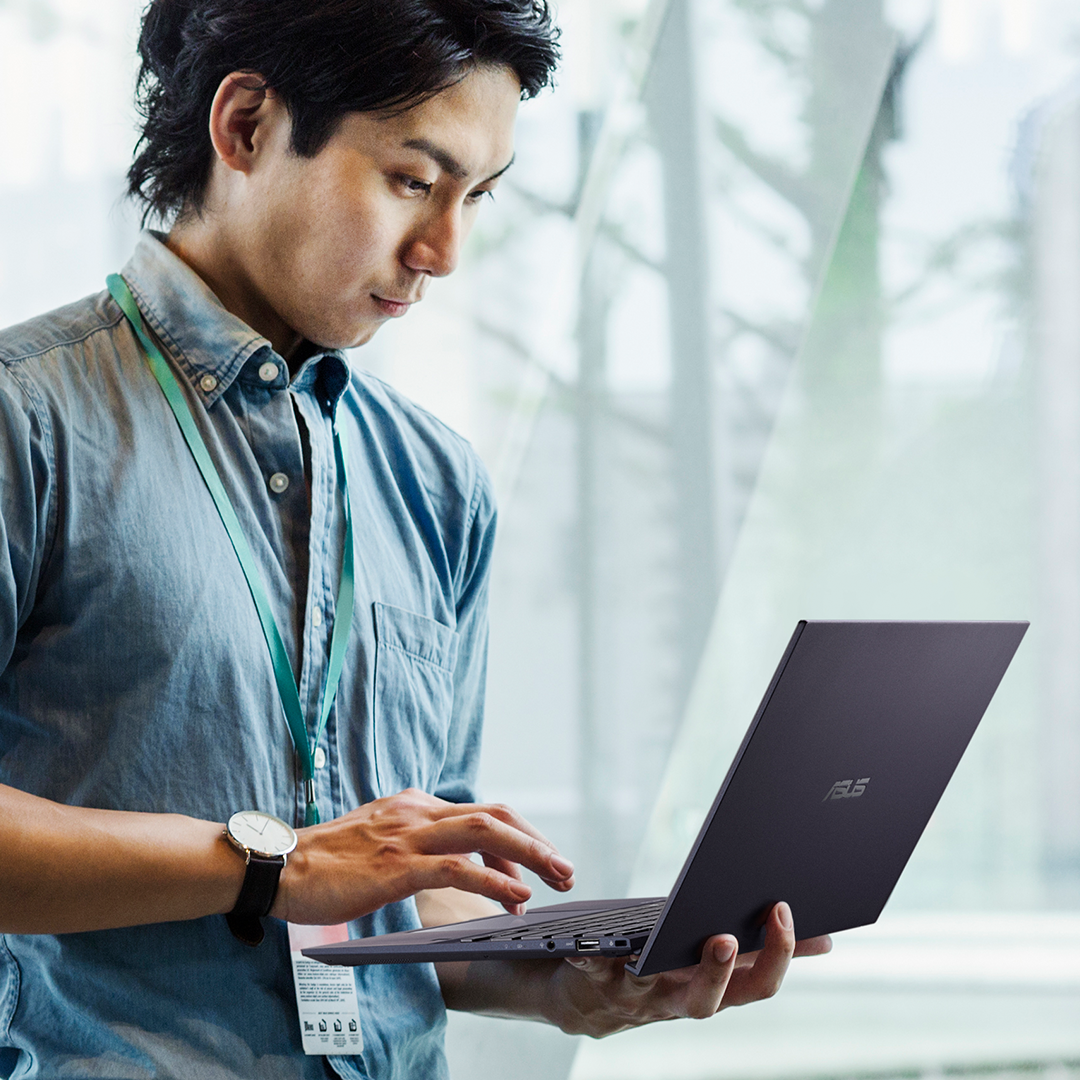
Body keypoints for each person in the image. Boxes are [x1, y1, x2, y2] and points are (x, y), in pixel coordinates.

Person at [0, 1, 830, 1077]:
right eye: (413, 180)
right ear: (245, 125)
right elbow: (315, 866)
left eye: (478, 197)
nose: (443, 250)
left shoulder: (436, 481)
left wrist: (566, 987)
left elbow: (402, 894)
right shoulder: (27, 422)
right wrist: (272, 864)